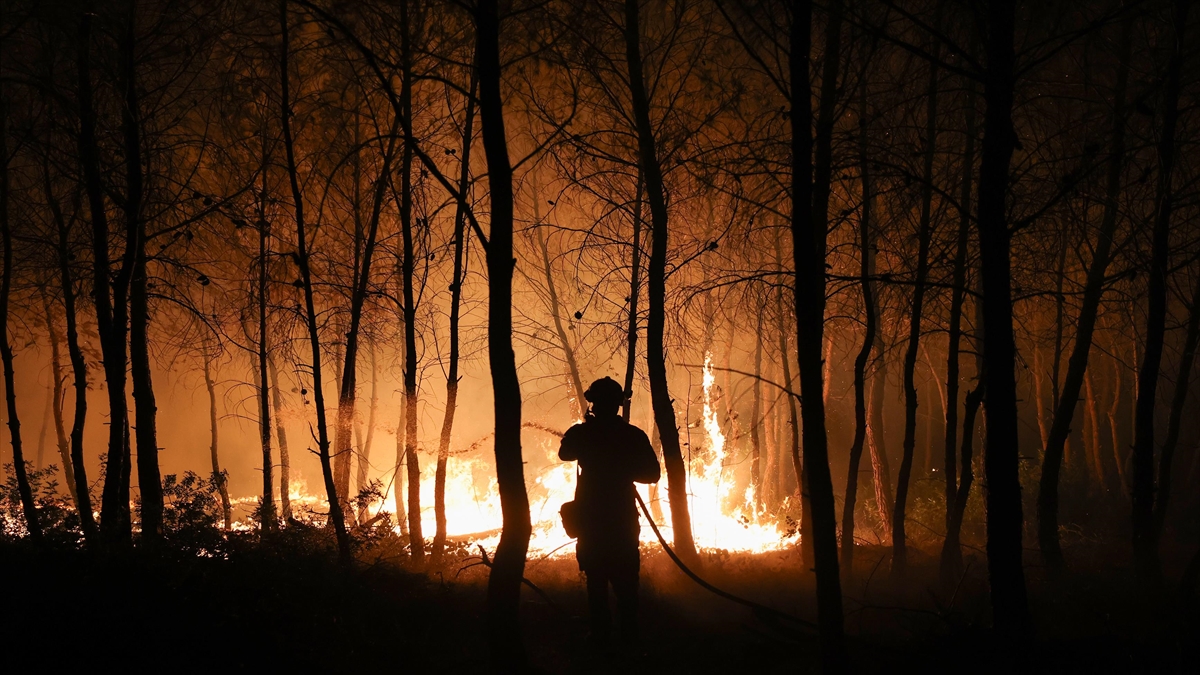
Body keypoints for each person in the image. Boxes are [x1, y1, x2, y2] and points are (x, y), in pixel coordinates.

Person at [559, 376, 661, 649]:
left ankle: (605, 637)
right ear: (618, 404)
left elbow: (652, 474)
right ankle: (627, 637)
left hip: (597, 518)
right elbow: (652, 473)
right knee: (623, 582)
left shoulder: (587, 434)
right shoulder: (630, 435)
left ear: (593, 403)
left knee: (599, 582)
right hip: (618, 519)